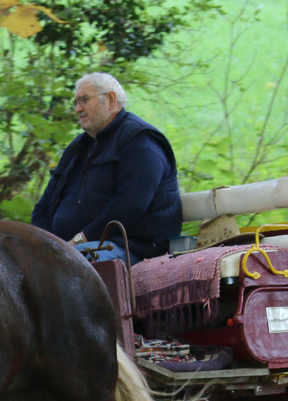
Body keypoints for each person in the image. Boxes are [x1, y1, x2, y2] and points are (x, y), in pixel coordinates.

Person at [31, 72, 182, 264]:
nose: (78, 109)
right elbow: (44, 205)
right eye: (76, 103)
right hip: (69, 248)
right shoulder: (78, 147)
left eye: (84, 100)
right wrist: (46, 243)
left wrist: (77, 241)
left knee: (71, 264)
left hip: (130, 248)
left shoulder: (141, 141)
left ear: (110, 99)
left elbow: (129, 205)